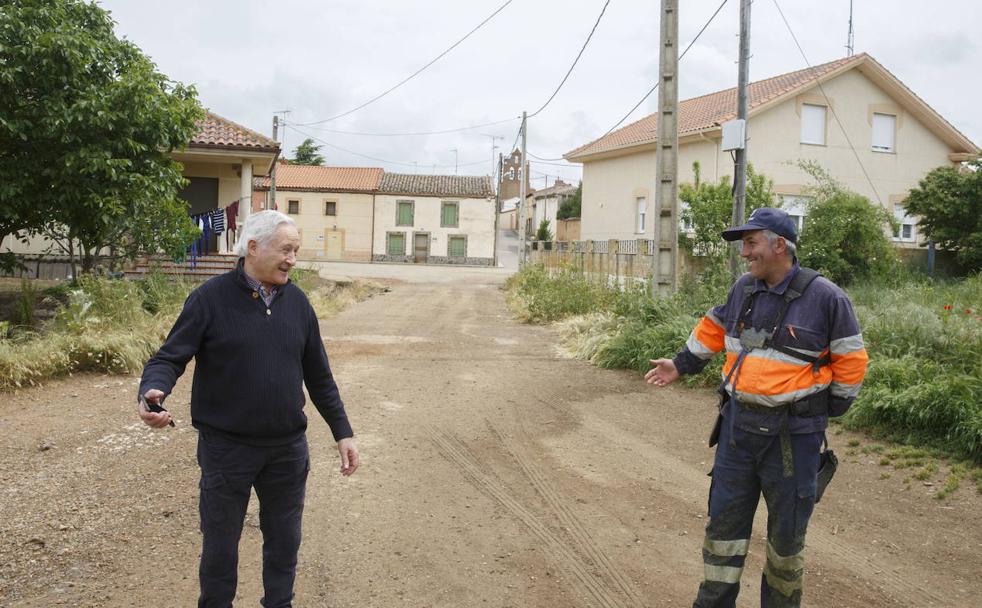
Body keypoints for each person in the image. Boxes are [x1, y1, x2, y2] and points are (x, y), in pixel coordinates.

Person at [645, 208, 867, 608]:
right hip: (736, 429)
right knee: (723, 530)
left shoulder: (827, 298)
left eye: (751, 243)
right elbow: (712, 329)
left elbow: (851, 360)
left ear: (779, 245)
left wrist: (825, 410)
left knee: (785, 540)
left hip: (792, 438)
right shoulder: (744, 290)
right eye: (744, 245)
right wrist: (680, 364)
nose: (745, 253)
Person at [138, 210, 359, 608]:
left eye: (296, 250)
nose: (293, 259)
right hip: (227, 450)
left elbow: (320, 376)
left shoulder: (299, 303)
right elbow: (169, 358)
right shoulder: (209, 299)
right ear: (253, 248)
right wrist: (152, 391)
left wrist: (342, 432)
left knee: (284, 542)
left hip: (287, 449)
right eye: (286, 250)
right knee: (221, 546)